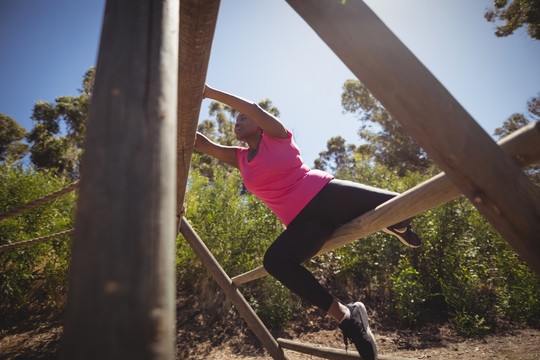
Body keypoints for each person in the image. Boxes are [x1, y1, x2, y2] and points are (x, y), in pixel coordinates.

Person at [194, 84, 422, 360]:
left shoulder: (277, 136)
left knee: (404, 204)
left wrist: (207, 91)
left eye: (242, 118)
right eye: (236, 120)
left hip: (325, 195)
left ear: (260, 124)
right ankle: (348, 316)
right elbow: (201, 143)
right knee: (275, 261)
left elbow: (252, 108)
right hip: (303, 223)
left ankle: (398, 226)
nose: (237, 122)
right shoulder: (240, 158)